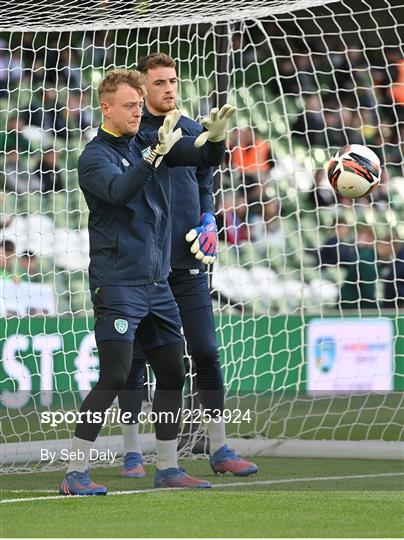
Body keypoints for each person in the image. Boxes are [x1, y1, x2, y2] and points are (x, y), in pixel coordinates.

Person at [59, 68, 235, 495]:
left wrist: (215, 139)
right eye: (130, 106)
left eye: (140, 105)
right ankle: (75, 471)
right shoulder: (94, 156)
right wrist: (154, 154)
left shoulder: (147, 143)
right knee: (116, 375)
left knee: (173, 371)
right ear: (106, 108)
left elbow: (201, 162)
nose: (139, 112)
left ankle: (169, 468)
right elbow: (119, 191)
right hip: (118, 284)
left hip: (158, 283)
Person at [115, 53, 257, 480]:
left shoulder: (196, 131)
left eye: (173, 80)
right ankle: (131, 451)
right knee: (135, 361)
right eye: (158, 82)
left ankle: (219, 446)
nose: (169, 88)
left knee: (207, 352)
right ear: (141, 90)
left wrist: (209, 219)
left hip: (189, 263)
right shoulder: (134, 137)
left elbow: (205, 184)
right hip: (145, 269)